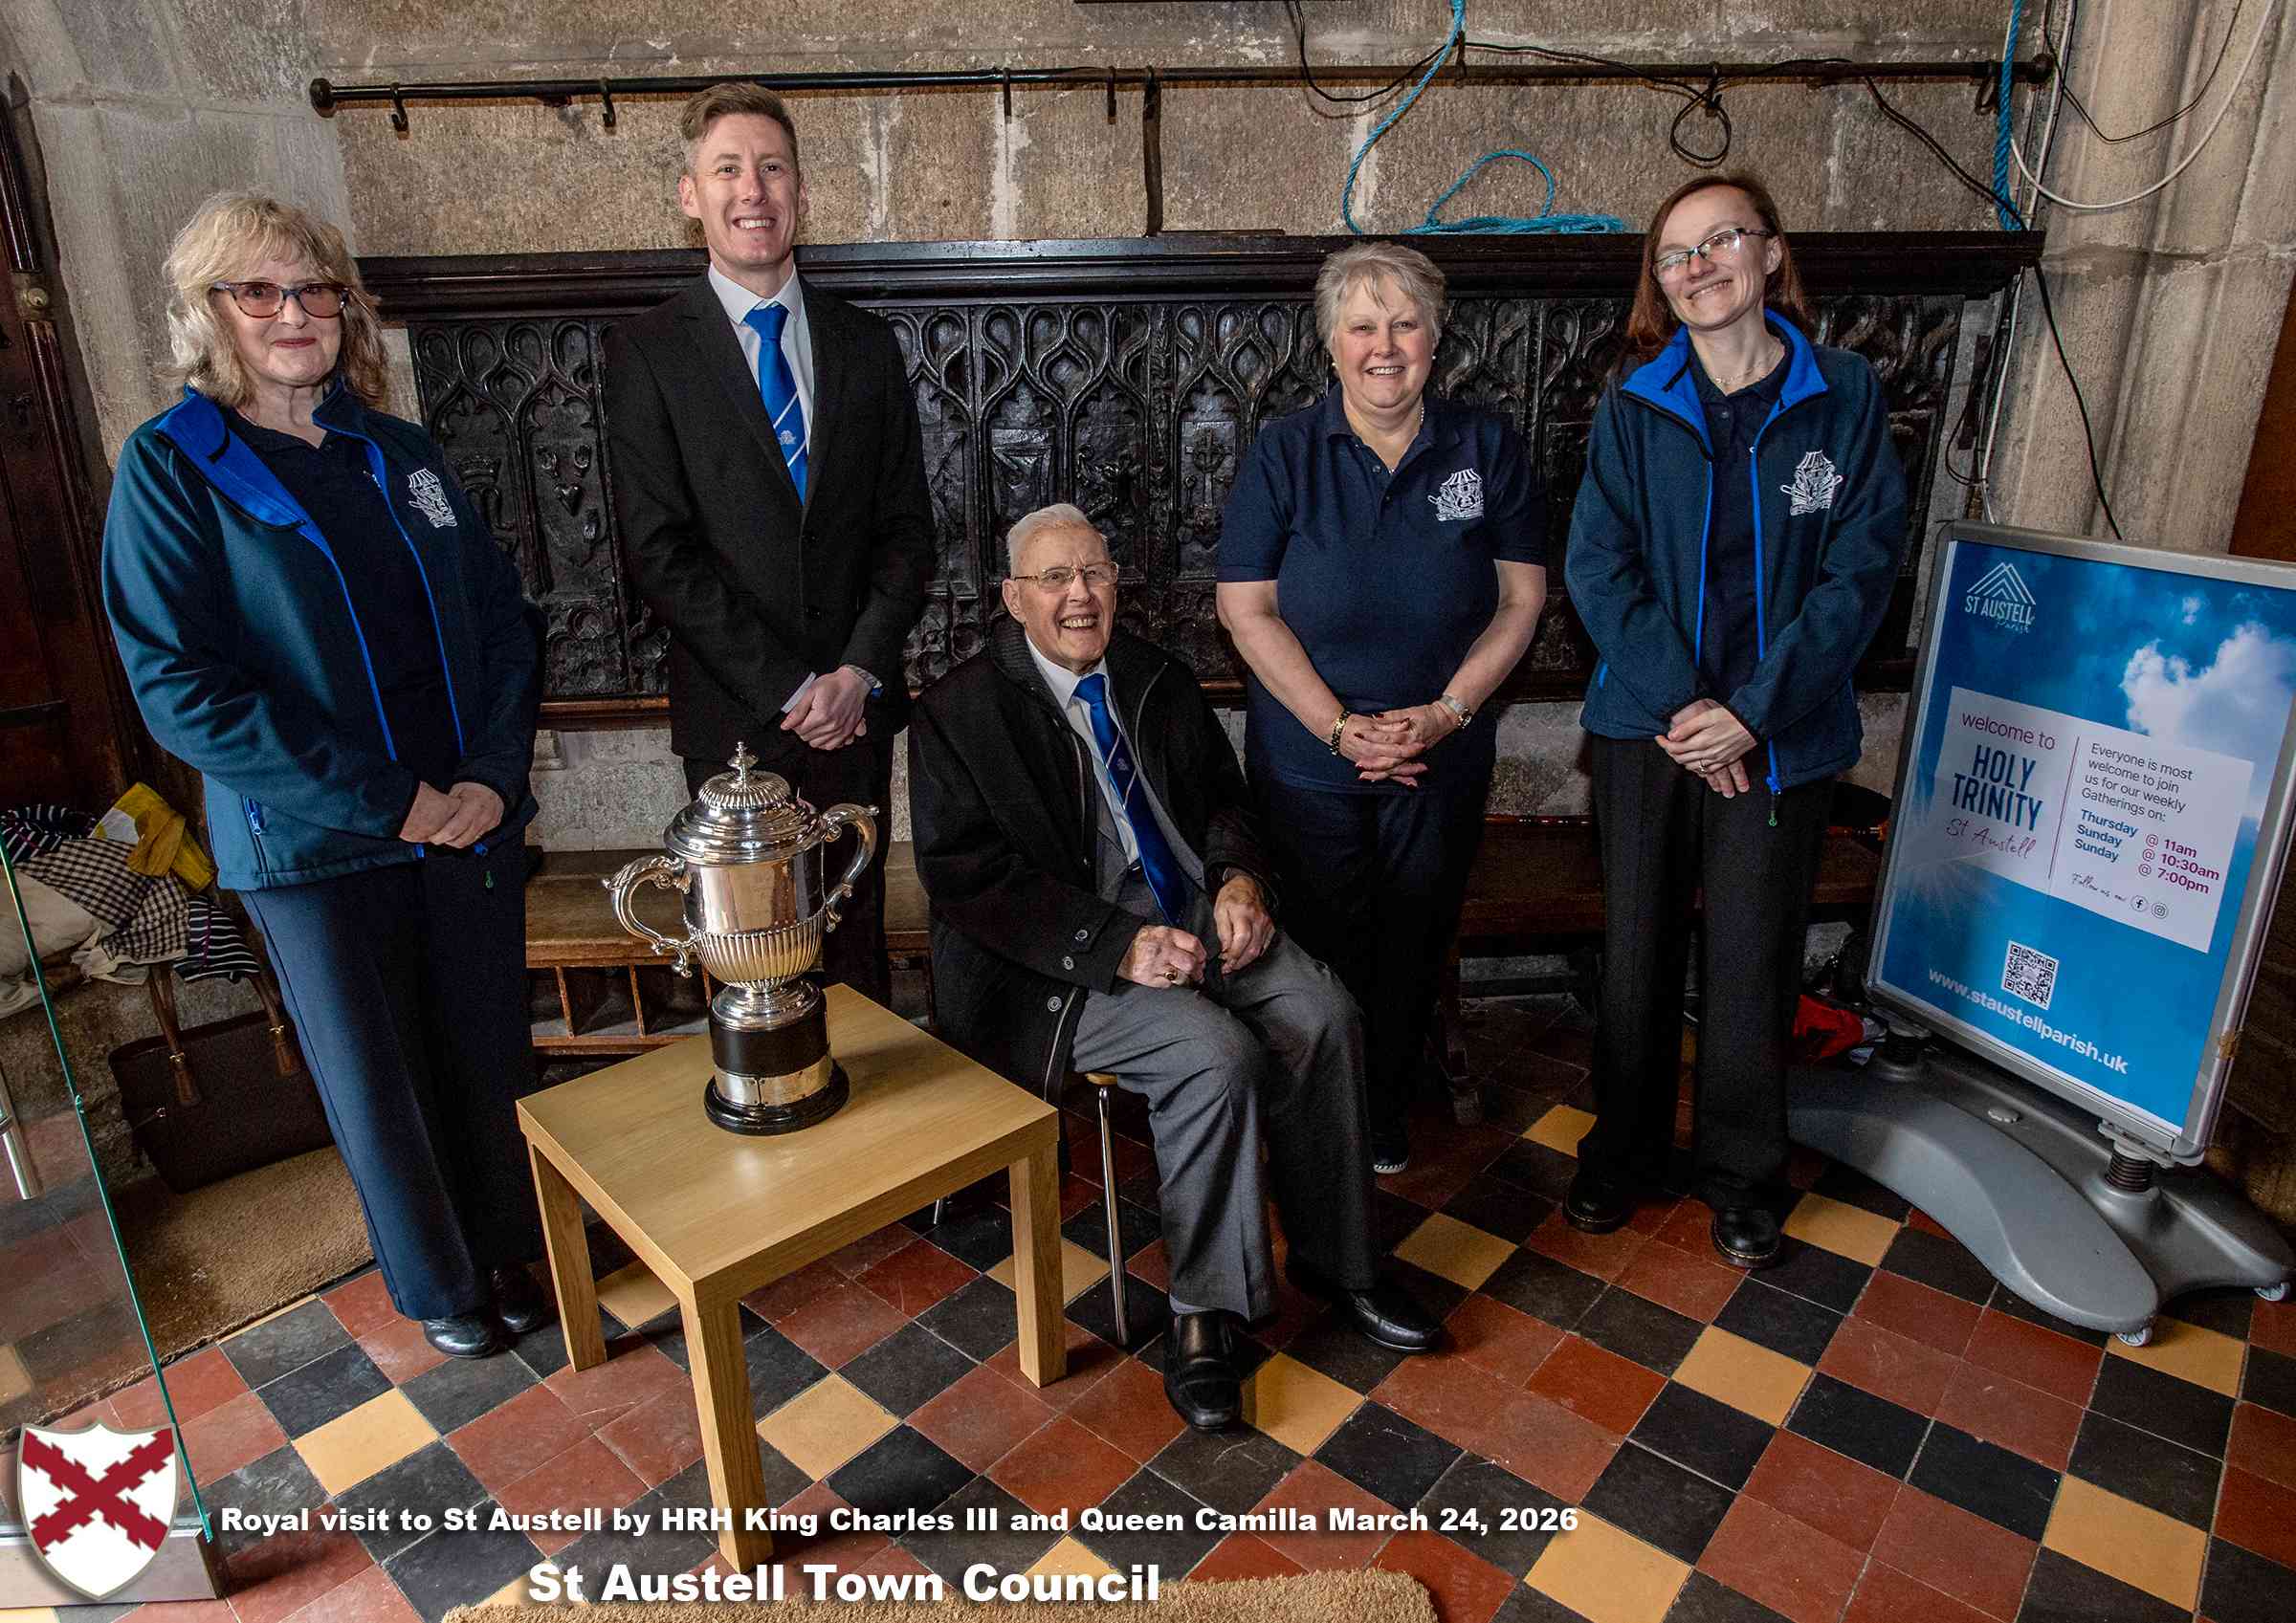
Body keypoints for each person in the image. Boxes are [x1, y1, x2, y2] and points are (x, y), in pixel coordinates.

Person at [101, 192, 549, 1359]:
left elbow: (505, 621)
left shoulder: (398, 453)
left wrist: (494, 779)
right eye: (261, 291)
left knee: (485, 1047)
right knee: (381, 1078)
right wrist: (394, 801)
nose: (294, 312)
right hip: (313, 842)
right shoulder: (172, 469)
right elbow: (180, 686)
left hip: (467, 821)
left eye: (315, 289)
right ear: (212, 314)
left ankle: (512, 1240)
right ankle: (445, 1282)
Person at [909, 504, 1442, 1433]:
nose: (1080, 596)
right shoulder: (959, 713)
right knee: (1212, 1053)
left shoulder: (1155, 676)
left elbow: (1224, 803)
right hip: (1060, 965)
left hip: (1194, 914)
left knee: (1321, 1009)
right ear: (1013, 599)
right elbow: (969, 881)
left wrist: (1239, 880)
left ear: (1118, 582)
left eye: (1096, 574)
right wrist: (1119, 944)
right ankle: (1208, 1314)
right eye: (1054, 580)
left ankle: (1341, 1259)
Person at [1563, 173, 1907, 1268]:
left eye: (1721, 242)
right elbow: (1598, 568)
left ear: (1769, 254)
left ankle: (1743, 1172)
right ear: (1659, 285)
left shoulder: (1843, 394)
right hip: (1650, 728)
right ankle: (1622, 1151)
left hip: (1783, 729)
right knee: (1636, 946)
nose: (1700, 266)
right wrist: (1690, 708)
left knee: (1756, 951)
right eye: (1676, 254)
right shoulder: (1634, 403)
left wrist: (1751, 715)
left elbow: (1860, 573)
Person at [1215, 242, 1548, 1176]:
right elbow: (1246, 607)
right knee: (1321, 944)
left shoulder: (1487, 448)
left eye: (1405, 322)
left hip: (1440, 749)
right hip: (1309, 755)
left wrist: (1444, 712)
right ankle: (1319, 1110)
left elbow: (1522, 599)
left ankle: (1387, 1107)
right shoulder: (1283, 451)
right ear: (1331, 344)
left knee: (1415, 934)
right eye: (1362, 325)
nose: (1384, 344)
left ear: (1437, 339)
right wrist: (1338, 726)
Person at [604, 82, 935, 1006]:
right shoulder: (648, 352)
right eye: (728, 169)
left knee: (855, 951)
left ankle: (873, 1148)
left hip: (854, 715)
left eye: (773, 167)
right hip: (737, 724)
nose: (754, 189)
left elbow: (908, 532)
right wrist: (792, 688)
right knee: (758, 968)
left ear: (800, 190)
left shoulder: (866, 346)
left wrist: (856, 672)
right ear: (690, 195)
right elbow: (658, 551)